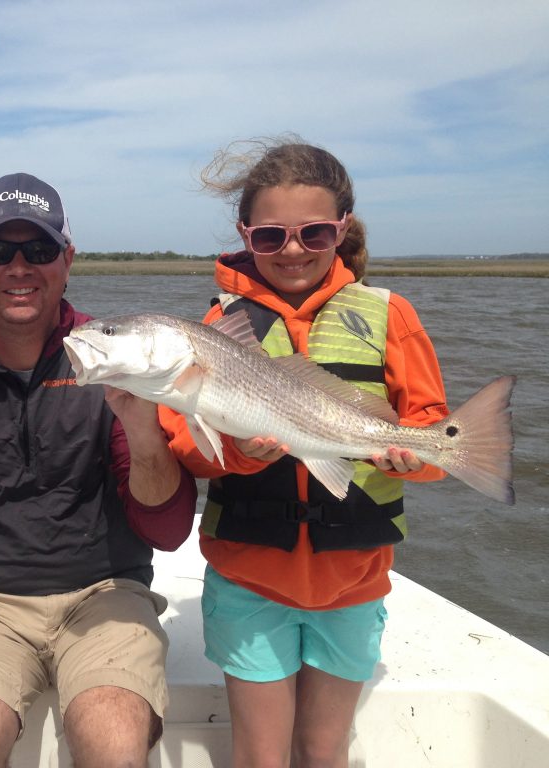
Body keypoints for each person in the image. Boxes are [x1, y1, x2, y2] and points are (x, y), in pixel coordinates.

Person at [0, 172, 197, 768]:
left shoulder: (115, 354)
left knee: (116, 743)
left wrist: (145, 430)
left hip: (107, 594)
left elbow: (168, 532)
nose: (19, 267)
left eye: (39, 250)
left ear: (67, 260)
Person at [159, 139, 451, 768]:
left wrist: (414, 456)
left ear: (341, 229)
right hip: (249, 578)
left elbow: (430, 424)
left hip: (355, 580)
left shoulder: (390, 315)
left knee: (324, 752)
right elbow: (184, 443)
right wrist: (242, 456)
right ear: (246, 234)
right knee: (261, 756)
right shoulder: (217, 326)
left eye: (314, 233)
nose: (292, 250)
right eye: (270, 237)